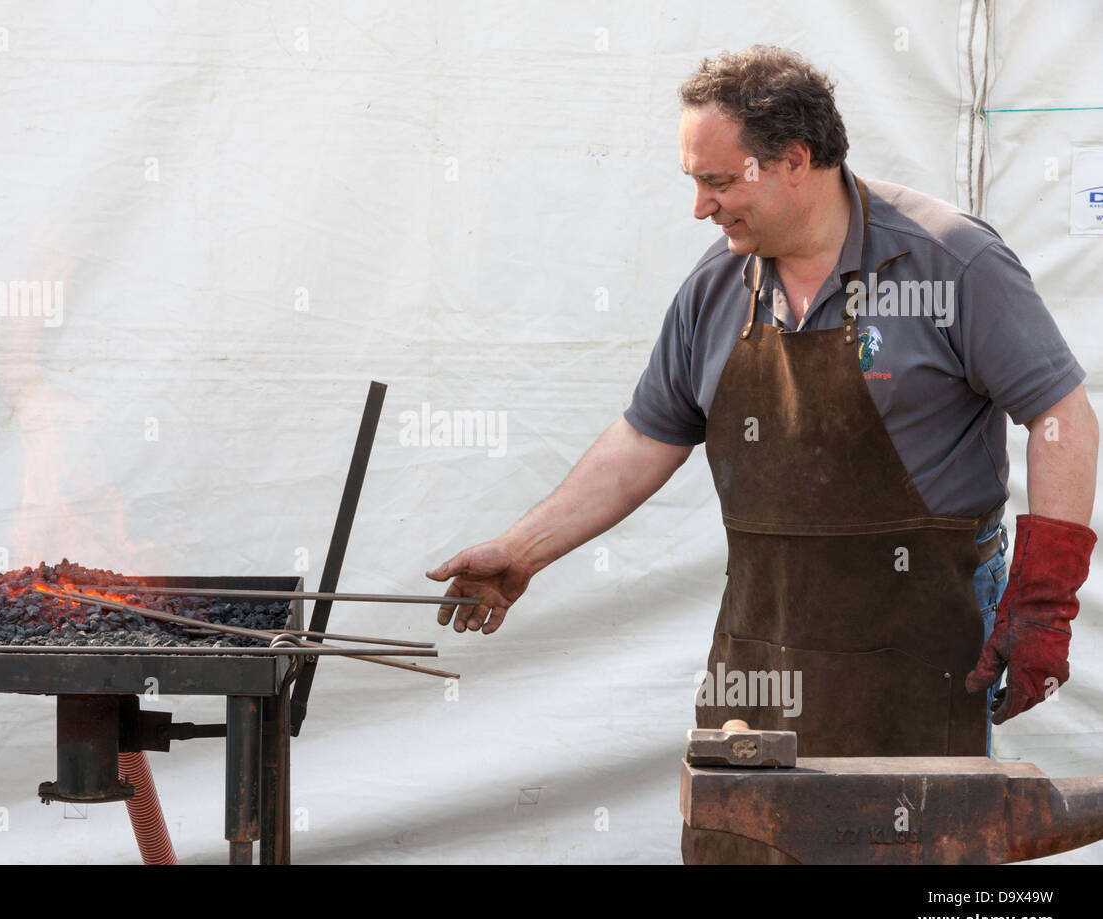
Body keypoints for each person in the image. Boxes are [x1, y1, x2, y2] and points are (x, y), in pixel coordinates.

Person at [426, 46, 1098, 863]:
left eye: (718, 181)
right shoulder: (717, 287)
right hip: (765, 640)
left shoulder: (951, 261)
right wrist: (521, 551)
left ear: (795, 162)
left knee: (919, 840)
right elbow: (646, 436)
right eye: (694, 182)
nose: (701, 207)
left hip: (923, 631)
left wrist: (1042, 602)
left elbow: (1061, 414)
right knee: (743, 841)